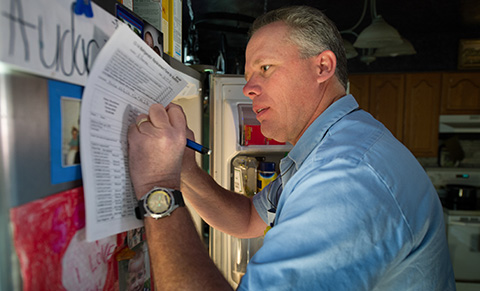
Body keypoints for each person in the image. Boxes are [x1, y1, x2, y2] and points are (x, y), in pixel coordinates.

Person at [127, 5, 455, 290]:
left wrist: (158, 185)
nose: (250, 88)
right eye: (248, 75)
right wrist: (183, 170)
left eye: (265, 68)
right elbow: (246, 219)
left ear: (323, 67)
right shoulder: (327, 148)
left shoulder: (347, 174)